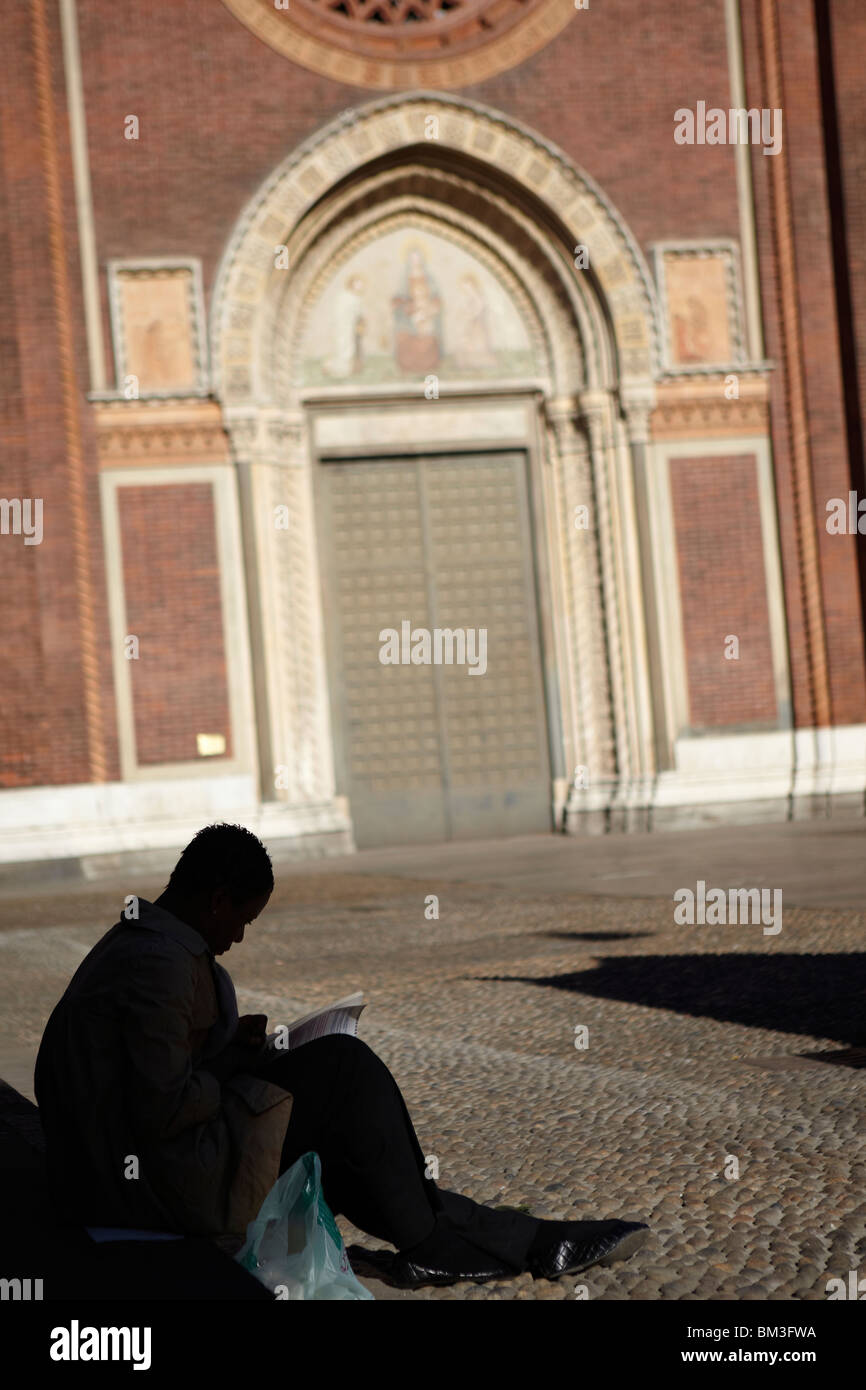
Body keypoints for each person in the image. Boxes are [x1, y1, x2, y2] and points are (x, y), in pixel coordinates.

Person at [35, 823, 648, 1289]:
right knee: (340, 1073)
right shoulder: (157, 967)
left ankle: (499, 1236)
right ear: (218, 899)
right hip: (144, 1185)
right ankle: (450, 1239)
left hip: (128, 1168)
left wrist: (230, 1051)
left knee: (344, 1107)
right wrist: (230, 1065)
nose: (240, 937)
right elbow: (160, 1109)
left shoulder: (145, 944)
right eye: (243, 920)